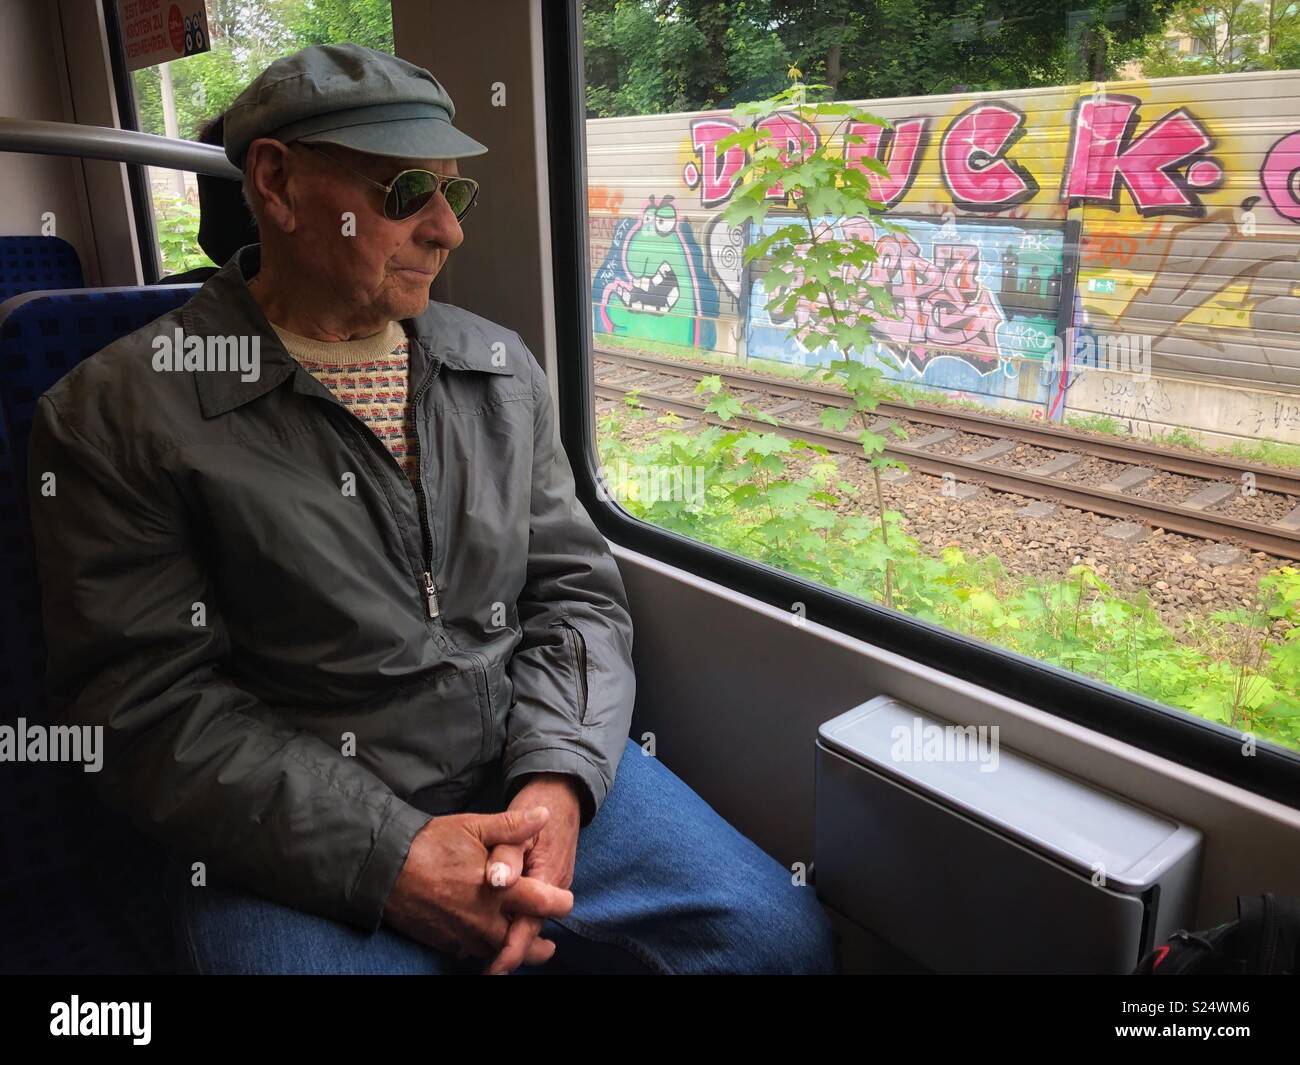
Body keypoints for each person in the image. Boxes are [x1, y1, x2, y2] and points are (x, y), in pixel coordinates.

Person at [27, 43, 836, 975]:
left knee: (778, 938)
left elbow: (575, 594)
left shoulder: (498, 368)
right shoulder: (117, 415)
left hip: (514, 755)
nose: (448, 232)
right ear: (279, 185)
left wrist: (556, 780)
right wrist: (391, 851)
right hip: (290, 827)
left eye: (459, 195)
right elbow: (147, 710)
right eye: (407, 190)